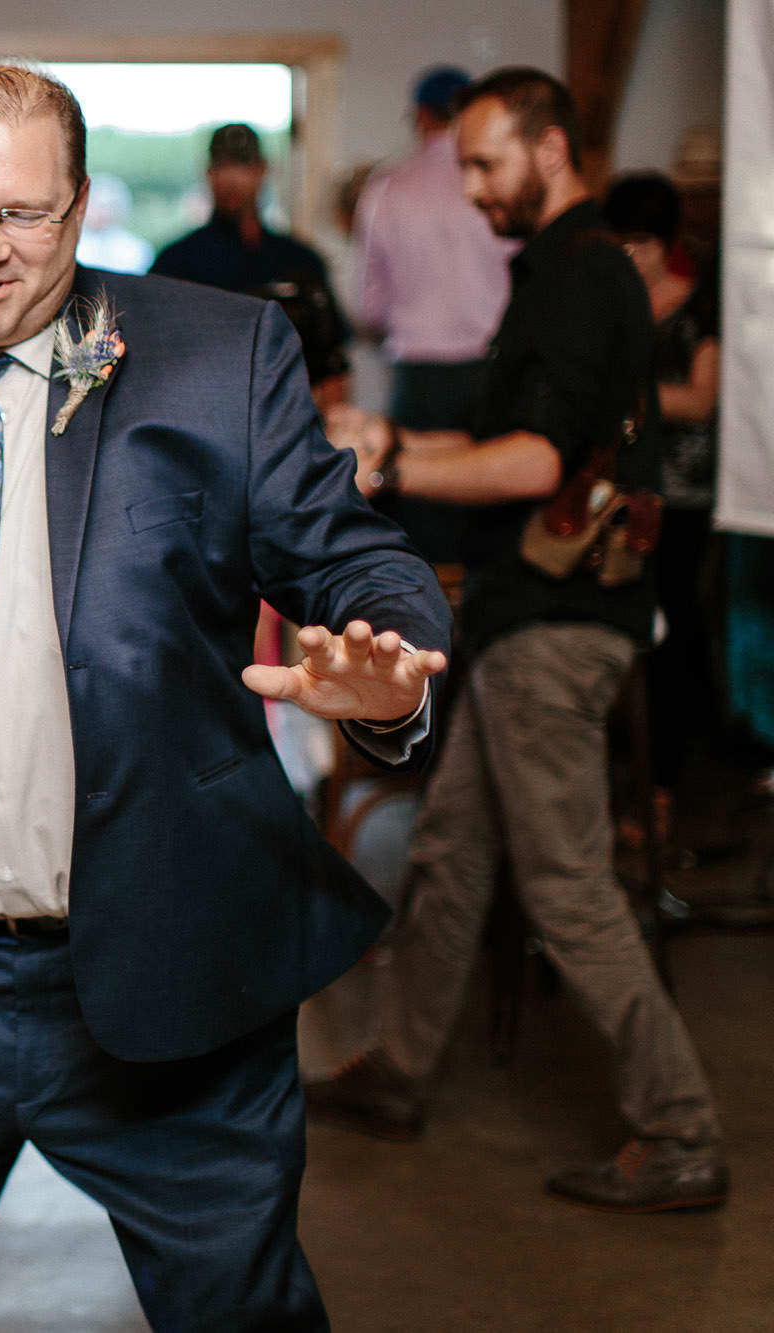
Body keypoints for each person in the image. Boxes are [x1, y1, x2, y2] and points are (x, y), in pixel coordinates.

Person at [0, 55, 450, 1331]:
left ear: (77, 205)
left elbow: (352, 554)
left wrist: (380, 668)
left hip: (174, 970)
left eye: (24, 215)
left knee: (241, 1309)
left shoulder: (217, 360)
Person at [315, 68, 728, 1212]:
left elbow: (536, 464)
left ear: (551, 152)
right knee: (451, 853)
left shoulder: (574, 276)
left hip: (554, 629)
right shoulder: (569, 274)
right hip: (520, 616)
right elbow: (518, 439)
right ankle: (397, 1069)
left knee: (563, 886)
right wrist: (393, 441)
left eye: (489, 164)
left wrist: (391, 454)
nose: (475, 188)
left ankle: (680, 1128)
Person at [351, 64, 517, 564]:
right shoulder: (499, 186)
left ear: (420, 116)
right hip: (496, 372)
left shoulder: (388, 188)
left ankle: (428, 638)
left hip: (421, 379)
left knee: (421, 534)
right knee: (493, 518)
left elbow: (368, 307)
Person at [604, 171, 721, 848]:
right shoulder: (616, 306)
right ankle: (632, 779)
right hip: (620, 492)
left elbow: (701, 401)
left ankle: (665, 789)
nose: (633, 253)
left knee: (670, 638)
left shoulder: (696, 308)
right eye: (623, 240)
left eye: (644, 240)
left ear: (668, 242)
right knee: (622, 637)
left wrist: (627, 397)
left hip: (681, 496)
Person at [151, 122, 354, 404]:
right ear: (209, 173)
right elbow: (152, 357)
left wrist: (334, 431)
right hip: (201, 411)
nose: (232, 178)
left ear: (262, 170)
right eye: (223, 166)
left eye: (242, 166)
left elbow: (332, 362)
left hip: (285, 415)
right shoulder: (175, 262)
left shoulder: (300, 260)